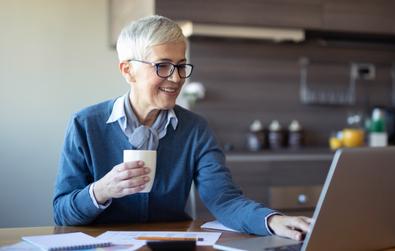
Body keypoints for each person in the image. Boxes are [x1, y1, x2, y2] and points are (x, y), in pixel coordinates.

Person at [53, 15, 311, 240]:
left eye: (180, 65)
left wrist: (272, 221)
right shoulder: (85, 124)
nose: (176, 78)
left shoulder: (194, 129)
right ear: (128, 71)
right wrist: (101, 190)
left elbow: (224, 199)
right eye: (162, 66)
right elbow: (62, 213)